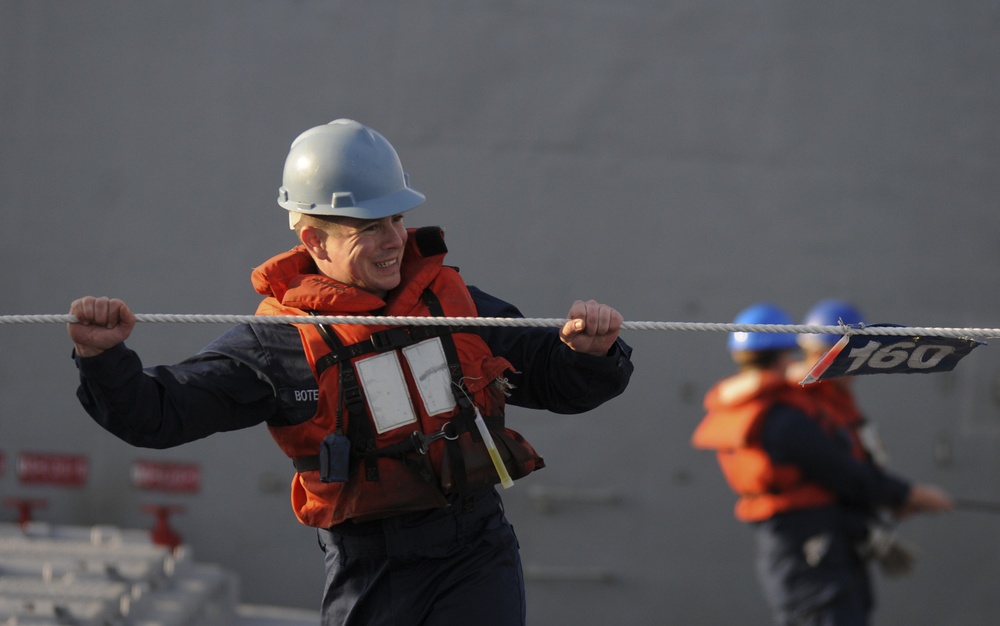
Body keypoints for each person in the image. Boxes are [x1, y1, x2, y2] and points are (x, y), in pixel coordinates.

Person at [68, 119, 634, 625]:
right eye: (368, 225)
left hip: (474, 550)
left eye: (396, 217)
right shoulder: (280, 344)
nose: (394, 240)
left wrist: (592, 353)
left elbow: (554, 380)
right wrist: (103, 357)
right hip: (371, 570)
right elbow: (159, 415)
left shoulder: (452, 302)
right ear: (313, 239)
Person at [691, 302, 951, 626]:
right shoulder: (784, 418)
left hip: (803, 544)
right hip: (815, 555)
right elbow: (840, 472)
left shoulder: (755, 410)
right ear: (787, 351)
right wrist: (906, 495)